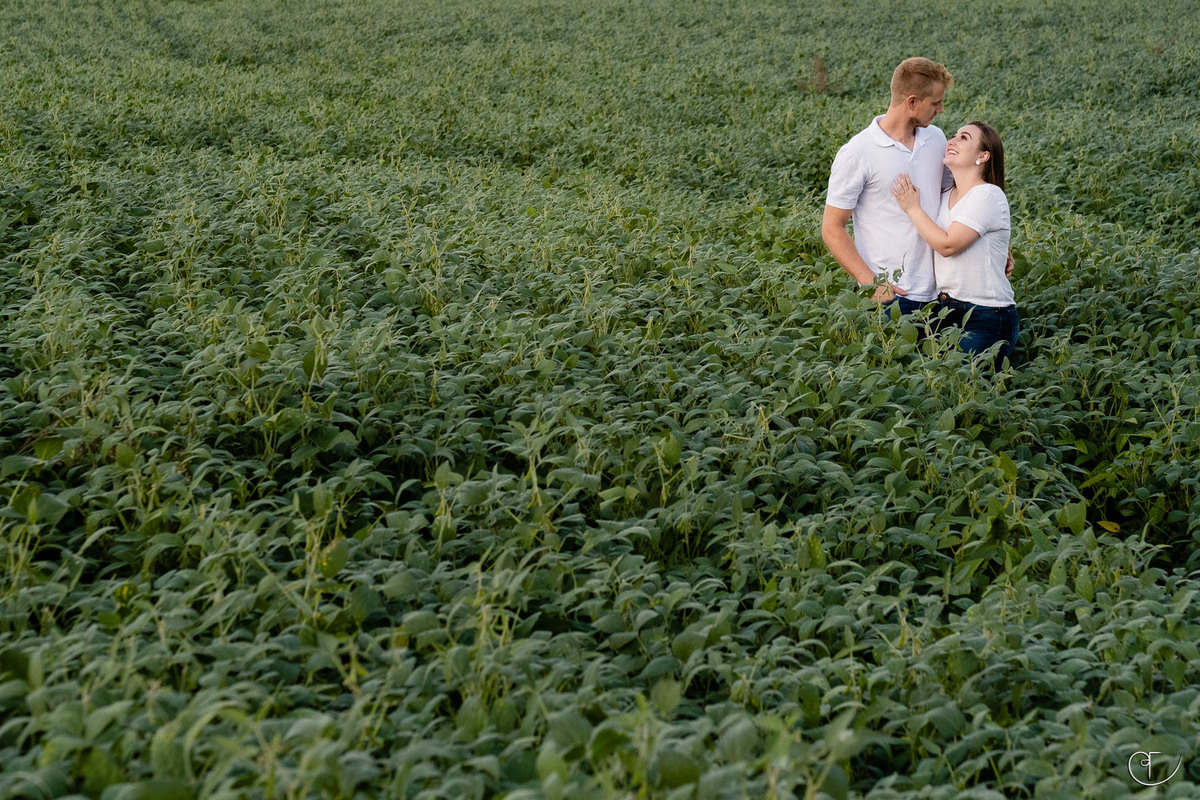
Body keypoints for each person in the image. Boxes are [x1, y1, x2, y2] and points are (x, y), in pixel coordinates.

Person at [822, 57, 955, 311]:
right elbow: (831, 228)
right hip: (891, 297)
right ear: (912, 102)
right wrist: (872, 283)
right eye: (935, 103)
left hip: (943, 293)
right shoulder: (858, 152)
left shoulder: (937, 138)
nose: (941, 110)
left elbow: (953, 196)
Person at [891, 121, 1018, 365]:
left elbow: (948, 245)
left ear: (983, 156)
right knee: (932, 377)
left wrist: (912, 208)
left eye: (964, 138)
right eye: (954, 135)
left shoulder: (988, 194)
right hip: (946, 311)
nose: (952, 141)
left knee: (958, 380)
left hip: (987, 316)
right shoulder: (944, 196)